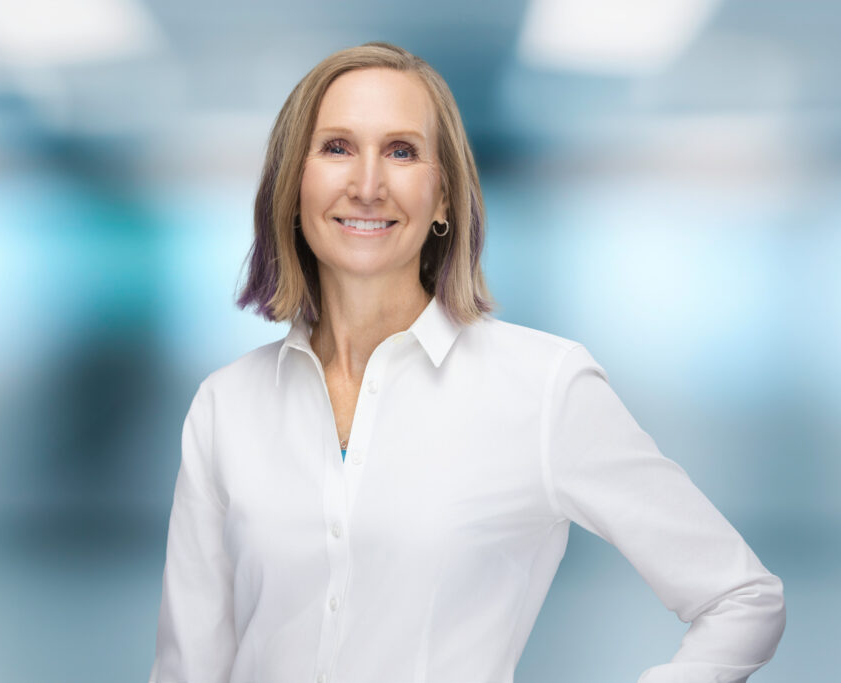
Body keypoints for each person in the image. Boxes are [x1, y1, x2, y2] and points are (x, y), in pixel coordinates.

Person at [149, 41, 786, 683]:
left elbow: (742, 599)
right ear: (292, 184)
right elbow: (187, 668)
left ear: (446, 197)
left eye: (401, 152)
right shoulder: (225, 406)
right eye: (337, 147)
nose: (367, 185)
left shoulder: (543, 388)